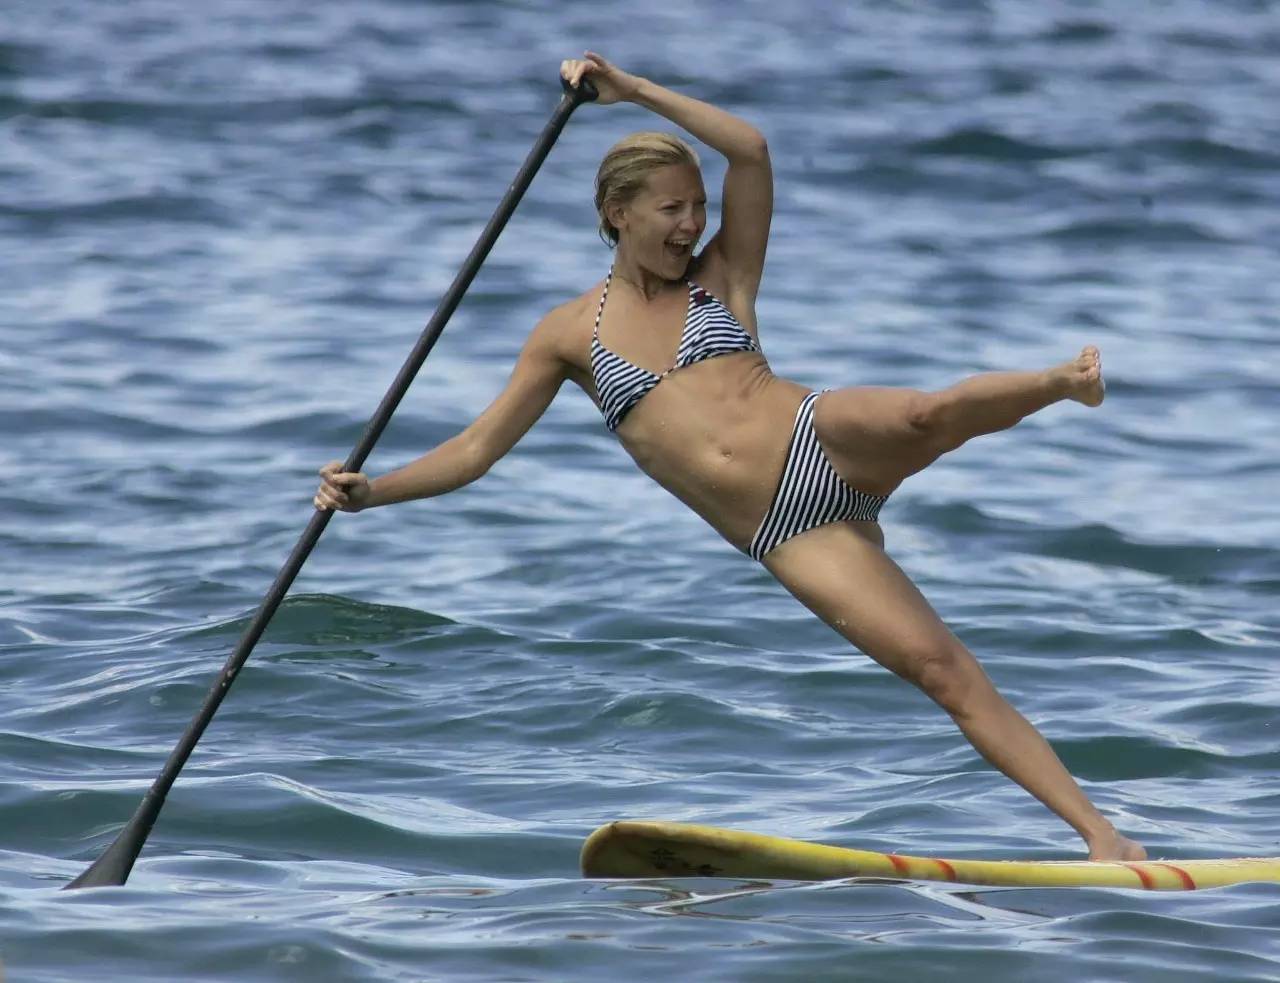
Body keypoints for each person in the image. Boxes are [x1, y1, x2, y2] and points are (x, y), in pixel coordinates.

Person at [315, 52, 1145, 862]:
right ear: (617, 213)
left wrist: (633, 90)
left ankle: (1059, 382)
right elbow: (476, 448)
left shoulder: (724, 277)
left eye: (697, 207)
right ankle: (1100, 835)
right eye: (671, 209)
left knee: (929, 412)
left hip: (818, 437)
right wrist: (372, 492)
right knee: (941, 671)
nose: (690, 226)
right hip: (788, 532)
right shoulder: (569, 335)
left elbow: (750, 147)